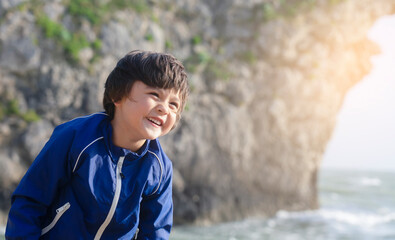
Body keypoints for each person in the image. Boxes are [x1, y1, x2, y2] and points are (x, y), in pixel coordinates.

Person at [5, 50, 189, 240]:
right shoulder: (75, 138)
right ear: (118, 96)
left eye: (174, 105)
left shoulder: (159, 168)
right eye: (154, 94)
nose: (164, 108)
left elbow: (155, 233)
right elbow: (30, 201)